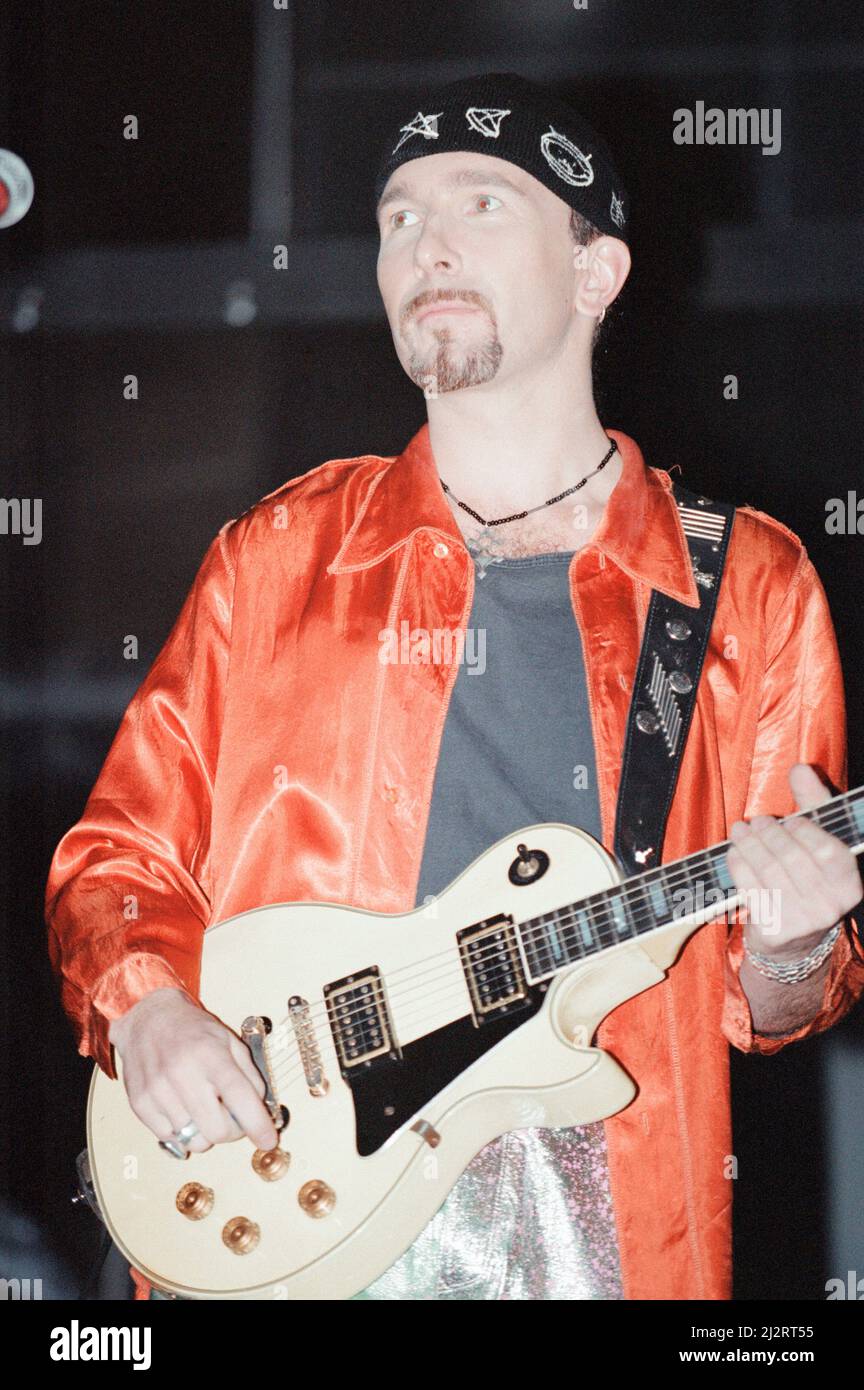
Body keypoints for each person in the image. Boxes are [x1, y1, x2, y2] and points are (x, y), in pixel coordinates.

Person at [45, 72, 864, 1302]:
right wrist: (148, 1009)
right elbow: (116, 860)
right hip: (289, 1198)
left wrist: (798, 941)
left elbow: (775, 1000)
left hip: (609, 1233)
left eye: (483, 202)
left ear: (598, 274)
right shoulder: (275, 556)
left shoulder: (749, 583)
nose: (426, 239)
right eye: (396, 219)